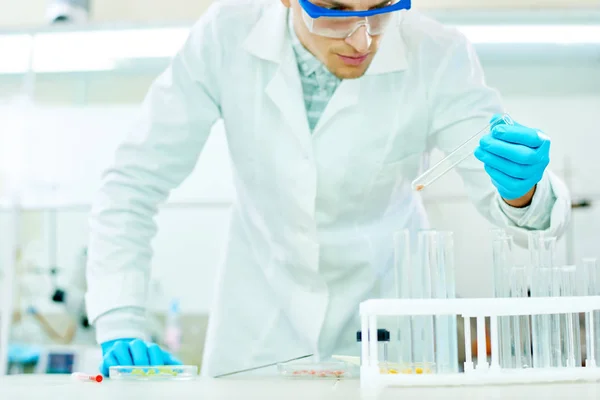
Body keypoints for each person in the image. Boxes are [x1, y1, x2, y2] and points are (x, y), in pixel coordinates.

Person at [86, 0, 571, 377]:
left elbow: (517, 208)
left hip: (393, 336)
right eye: (335, 11)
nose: (362, 37)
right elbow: (133, 180)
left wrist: (523, 191)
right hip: (258, 337)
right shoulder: (226, 34)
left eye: (380, 8)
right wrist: (119, 319)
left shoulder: (438, 54)